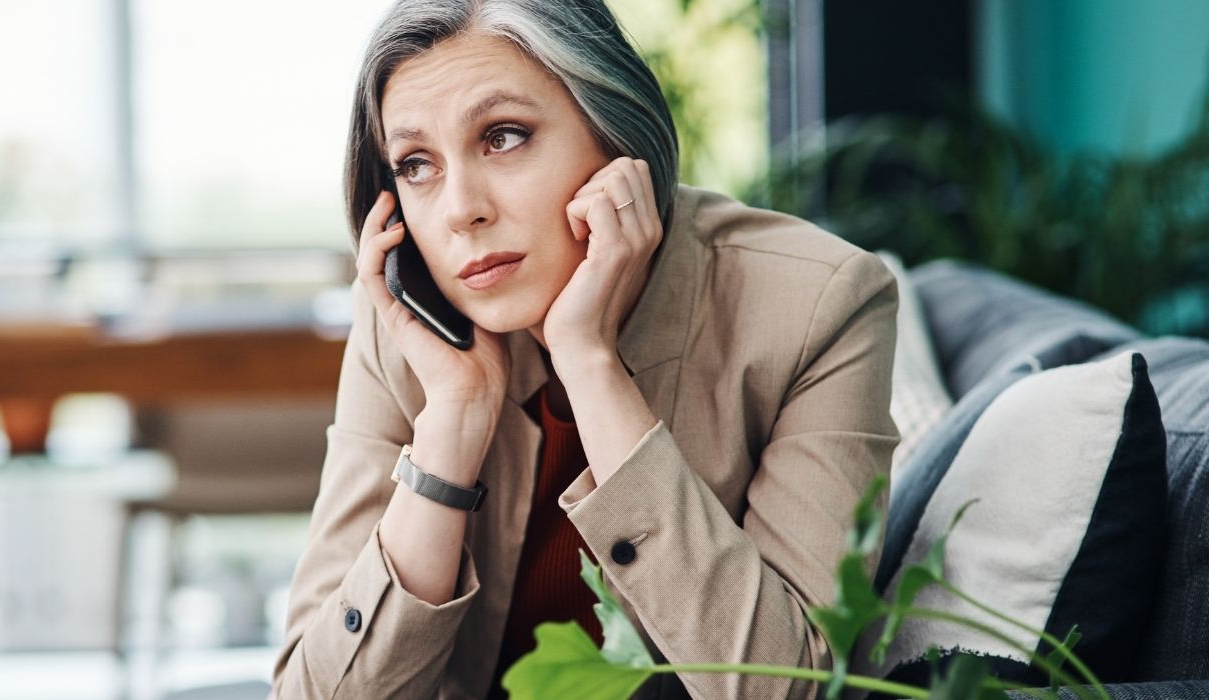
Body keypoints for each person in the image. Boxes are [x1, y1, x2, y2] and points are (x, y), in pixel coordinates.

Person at [269, 0, 899, 697]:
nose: (460, 210)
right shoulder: (404, 321)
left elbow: (790, 686)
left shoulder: (819, 305)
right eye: (416, 165)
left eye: (503, 136)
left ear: (615, 134)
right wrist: (453, 420)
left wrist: (590, 363)